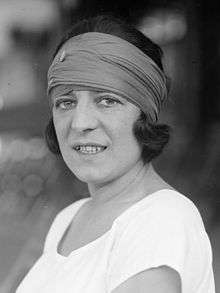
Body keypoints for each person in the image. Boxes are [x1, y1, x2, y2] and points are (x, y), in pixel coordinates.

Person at [16, 15, 215, 293]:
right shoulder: (68, 219)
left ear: (145, 113)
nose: (80, 122)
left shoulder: (161, 220)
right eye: (66, 102)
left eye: (107, 100)